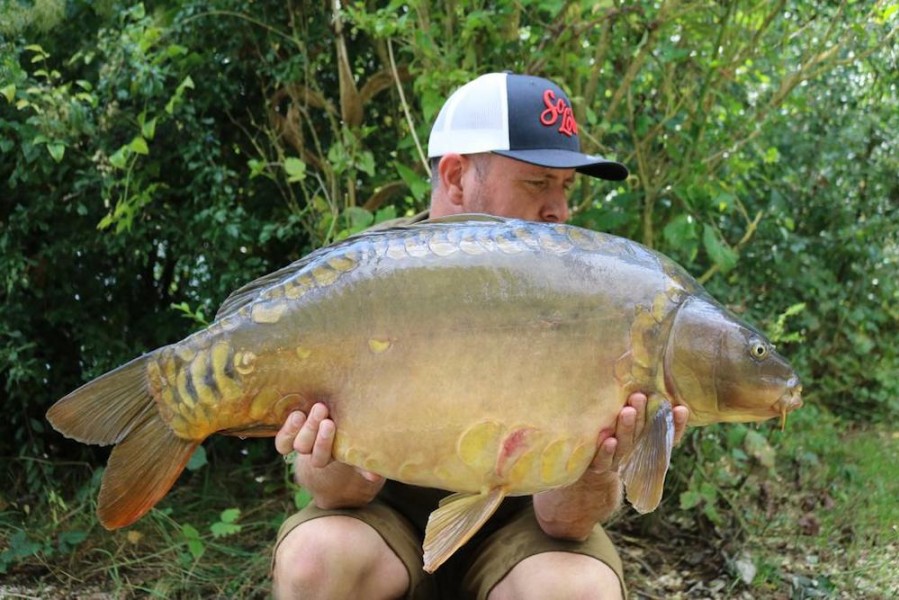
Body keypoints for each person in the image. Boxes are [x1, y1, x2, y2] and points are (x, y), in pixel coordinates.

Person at [271, 72, 690, 599]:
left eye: (565, 188)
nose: (557, 210)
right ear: (455, 178)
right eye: (538, 183)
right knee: (317, 558)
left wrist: (602, 462)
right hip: (385, 518)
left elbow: (566, 524)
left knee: (575, 588)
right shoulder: (365, 277)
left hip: (524, 531)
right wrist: (336, 451)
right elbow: (337, 494)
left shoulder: (597, 293)